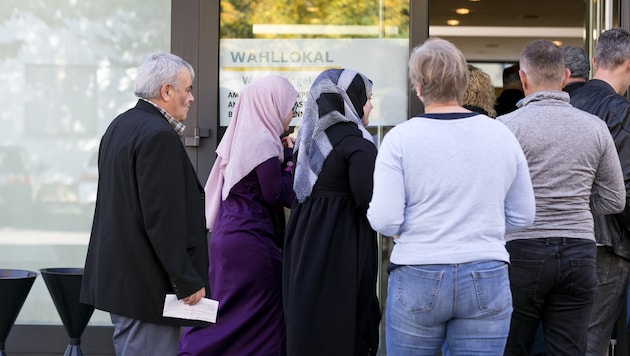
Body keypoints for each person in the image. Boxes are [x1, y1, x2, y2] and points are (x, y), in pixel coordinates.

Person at [367, 37, 536, 355]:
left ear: (418, 87)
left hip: (418, 270)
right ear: (463, 83)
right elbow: (524, 215)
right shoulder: (501, 134)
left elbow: (385, 220)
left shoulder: (400, 139)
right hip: (486, 271)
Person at [498, 39, 626, 356]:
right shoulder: (595, 128)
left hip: (523, 249)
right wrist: (578, 202)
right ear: (565, 76)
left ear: (524, 79)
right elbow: (615, 199)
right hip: (579, 251)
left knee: (515, 345)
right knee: (570, 348)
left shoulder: (504, 128)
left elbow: (489, 193)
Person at [79, 53, 209, 355]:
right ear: (166, 92)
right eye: (187, 89)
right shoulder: (158, 137)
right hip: (146, 286)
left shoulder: (121, 125)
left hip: (124, 282)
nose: (191, 98)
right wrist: (186, 281)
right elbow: (162, 221)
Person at [178, 75, 298, 356]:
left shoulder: (243, 138)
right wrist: (291, 160)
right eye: (290, 106)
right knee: (265, 319)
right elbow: (277, 193)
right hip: (252, 243)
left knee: (227, 314)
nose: (292, 113)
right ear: (271, 104)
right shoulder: (263, 142)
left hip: (229, 240)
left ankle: (193, 349)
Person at [283, 68, 381, 356]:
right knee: (340, 324)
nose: (371, 106)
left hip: (305, 246)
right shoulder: (357, 144)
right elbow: (370, 201)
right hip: (341, 249)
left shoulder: (308, 141)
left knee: (309, 322)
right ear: (350, 99)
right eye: (368, 98)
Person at [569, 27, 630, 356]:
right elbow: (625, 188)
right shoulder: (620, 111)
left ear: (594, 61)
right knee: (591, 342)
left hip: (566, 240)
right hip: (607, 244)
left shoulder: (570, 102)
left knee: (566, 340)